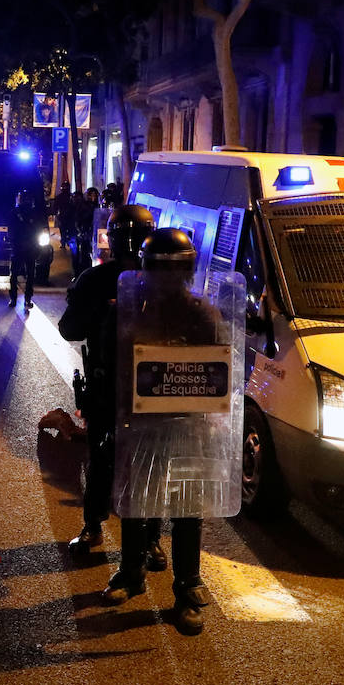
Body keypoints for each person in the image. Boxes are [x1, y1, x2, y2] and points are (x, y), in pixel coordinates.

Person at [103, 228, 219, 635]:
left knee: (187, 509)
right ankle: (130, 574)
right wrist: (109, 419)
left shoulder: (203, 314)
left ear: (187, 272)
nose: (168, 280)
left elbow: (223, 371)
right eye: (160, 271)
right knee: (138, 502)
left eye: (176, 271)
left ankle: (187, 588)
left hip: (188, 425)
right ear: (146, 270)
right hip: (142, 422)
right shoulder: (130, 312)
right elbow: (112, 368)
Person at [58, 205, 165, 571]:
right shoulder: (164, 278)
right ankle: (149, 540)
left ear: (113, 237)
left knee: (103, 458)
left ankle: (95, 527)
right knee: (149, 462)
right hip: (148, 387)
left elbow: (69, 329)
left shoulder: (95, 278)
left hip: (115, 384)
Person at [7, 190, 47, 308]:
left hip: (22, 247)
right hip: (26, 247)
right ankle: (25, 299)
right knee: (27, 275)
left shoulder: (18, 212)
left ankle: (17, 299)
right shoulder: (28, 213)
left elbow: (11, 231)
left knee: (16, 275)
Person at [75, 187, 100, 275]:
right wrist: (81, 231)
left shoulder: (99, 206)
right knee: (83, 254)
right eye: (91, 195)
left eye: (95, 195)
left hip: (96, 233)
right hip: (85, 233)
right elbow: (79, 219)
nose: (93, 197)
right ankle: (81, 273)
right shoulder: (83, 205)